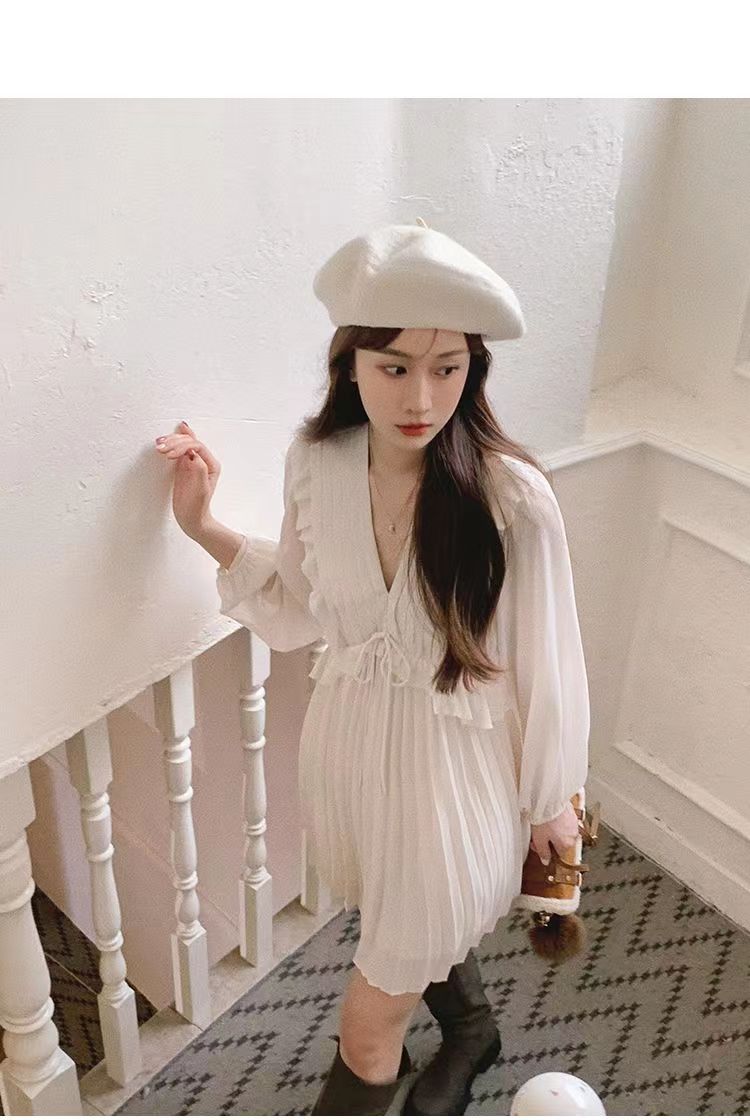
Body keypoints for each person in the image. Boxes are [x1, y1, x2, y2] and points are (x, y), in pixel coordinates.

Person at [154, 220, 590, 1116]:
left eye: (447, 368)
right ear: (350, 364)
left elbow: (550, 659)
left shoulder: (511, 498)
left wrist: (551, 798)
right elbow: (302, 603)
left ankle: (442, 1042)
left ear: (473, 369)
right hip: (352, 749)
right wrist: (203, 527)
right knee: (398, 917)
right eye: (394, 367)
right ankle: (473, 1031)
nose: (421, 396)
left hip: (451, 777)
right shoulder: (315, 463)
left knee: (367, 1025)